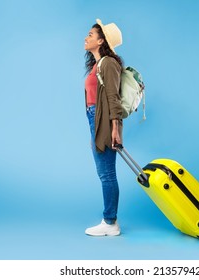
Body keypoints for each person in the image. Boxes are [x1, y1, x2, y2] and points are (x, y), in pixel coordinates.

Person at [84, 19, 123, 236]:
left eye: (90, 34)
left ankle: (110, 223)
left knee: (107, 173)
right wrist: (94, 131)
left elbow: (113, 98)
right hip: (96, 120)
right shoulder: (96, 65)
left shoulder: (108, 63)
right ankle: (110, 221)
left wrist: (115, 129)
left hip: (107, 122)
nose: (86, 37)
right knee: (104, 172)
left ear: (101, 41)